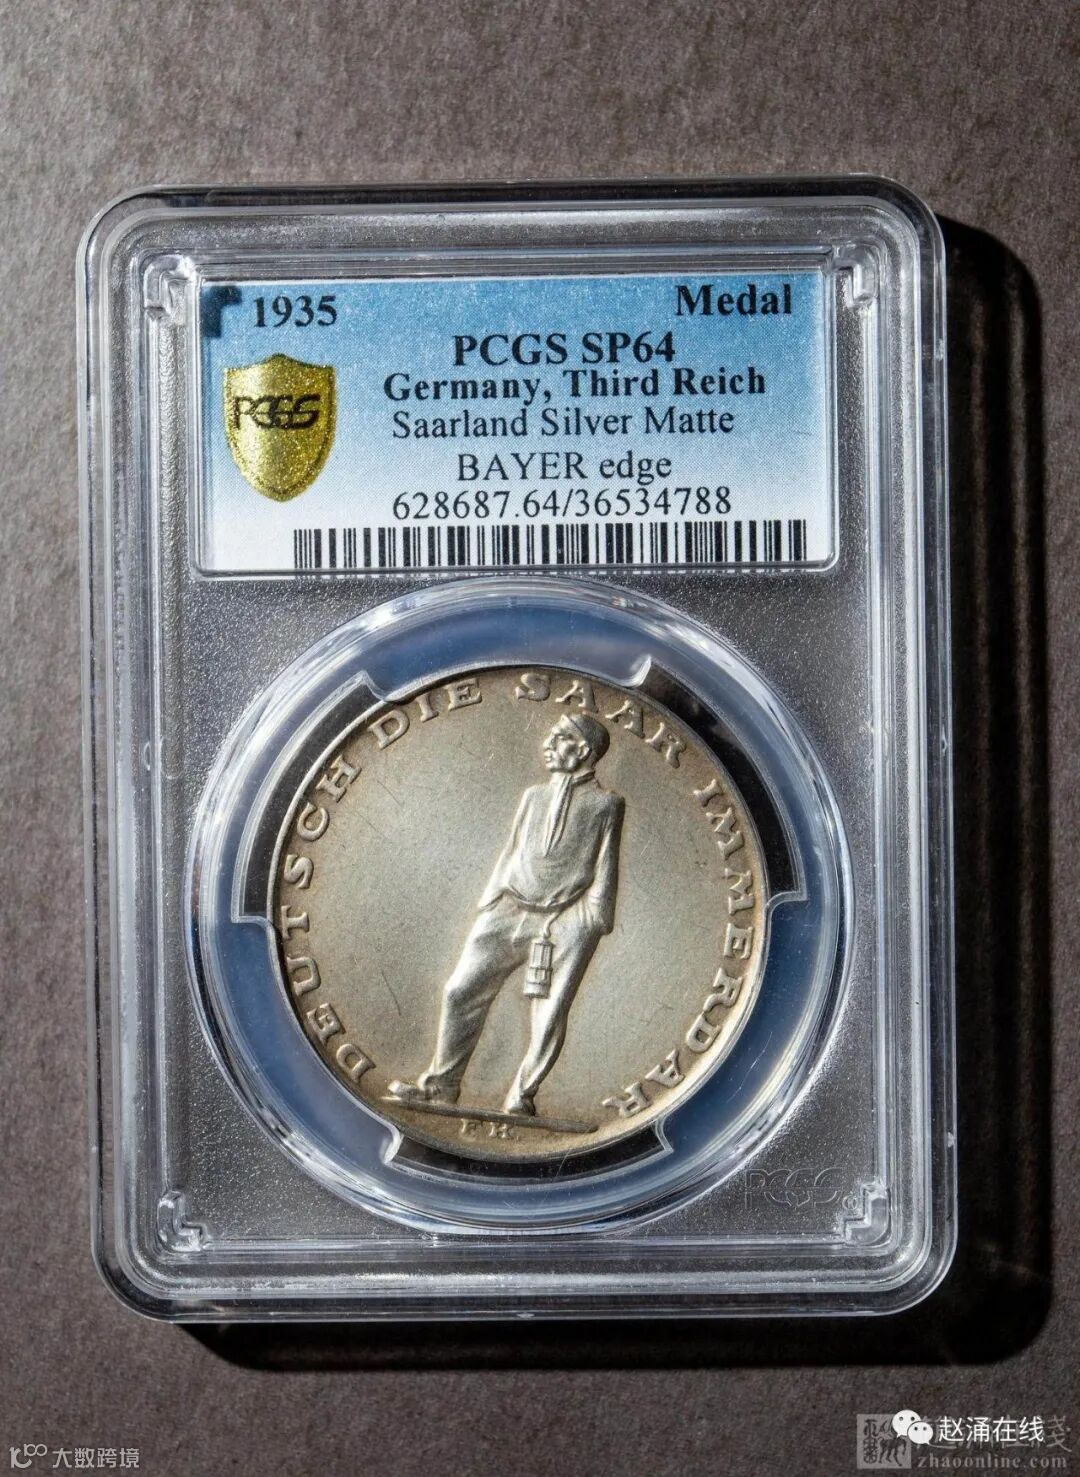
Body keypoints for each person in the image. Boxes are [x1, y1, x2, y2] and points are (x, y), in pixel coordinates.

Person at [388, 712, 624, 1116]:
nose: (547, 744)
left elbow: (607, 860)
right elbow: (512, 849)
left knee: (549, 1012)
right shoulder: (533, 796)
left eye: (559, 738)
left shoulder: (607, 804)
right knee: (460, 990)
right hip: (510, 905)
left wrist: (593, 919)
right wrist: (492, 899)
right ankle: (440, 1087)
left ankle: (522, 1096)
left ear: (583, 749)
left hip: (567, 918)